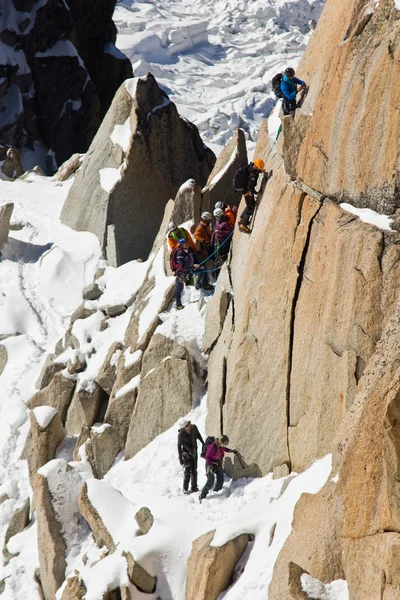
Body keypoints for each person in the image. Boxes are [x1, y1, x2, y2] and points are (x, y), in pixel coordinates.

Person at [199, 435, 237, 502]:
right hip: (210, 464)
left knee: (220, 478)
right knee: (210, 480)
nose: (224, 445)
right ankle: (202, 495)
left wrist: (232, 451)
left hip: (217, 464)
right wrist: (210, 466)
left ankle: (216, 491)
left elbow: (225, 449)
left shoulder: (220, 446)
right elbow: (207, 457)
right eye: (224, 443)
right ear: (220, 441)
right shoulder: (213, 446)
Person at [237, 158, 265, 233]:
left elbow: (254, 171)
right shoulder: (253, 175)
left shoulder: (250, 167)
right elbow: (250, 187)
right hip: (247, 191)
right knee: (250, 207)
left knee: (249, 204)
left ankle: (241, 219)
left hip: (244, 190)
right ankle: (243, 225)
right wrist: (256, 193)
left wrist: (259, 171)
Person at [177, 418, 204, 494]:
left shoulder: (194, 428)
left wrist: (203, 443)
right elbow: (179, 446)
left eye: (189, 423)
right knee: (187, 472)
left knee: (194, 470)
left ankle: (194, 487)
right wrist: (180, 458)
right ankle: (185, 488)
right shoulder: (181, 434)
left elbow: (198, 435)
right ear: (183, 428)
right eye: (187, 425)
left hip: (194, 451)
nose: (189, 425)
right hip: (186, 453)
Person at [172, 238, 199, 310]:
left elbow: (194, 258)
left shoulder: (190, 250)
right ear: (181, 245)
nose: (187, 244)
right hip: (181, 273)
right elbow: (182, 266)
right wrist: (193, 266)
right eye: (185, 243)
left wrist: (197, 264)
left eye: (187, 242)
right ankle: (178, 304)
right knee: (179, 289)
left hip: (189, 271)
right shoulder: (179, 253)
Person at [193, 211, 214, 290]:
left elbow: (208, 233)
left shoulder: (206, 226)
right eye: (208, 220)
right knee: (203, 267)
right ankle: (203, 284)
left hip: (207, 246)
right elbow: (196, 235)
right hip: (203, 250)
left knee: (206, 264)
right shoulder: (200, 227)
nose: (209, 222)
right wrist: (203, 241)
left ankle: (205, 281)